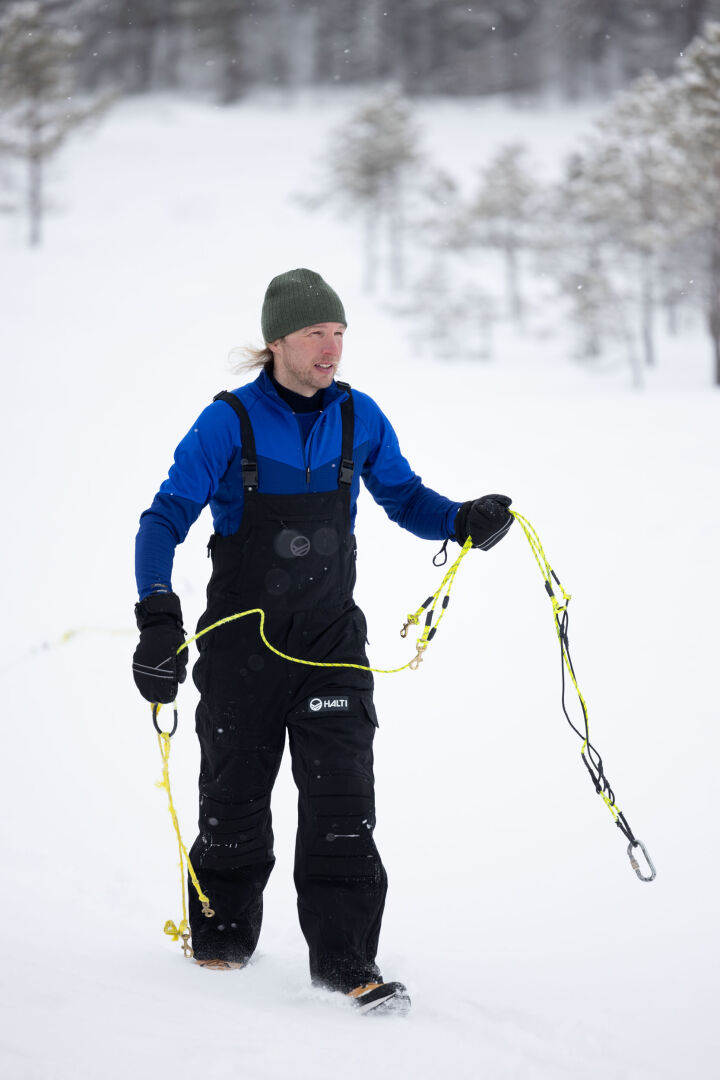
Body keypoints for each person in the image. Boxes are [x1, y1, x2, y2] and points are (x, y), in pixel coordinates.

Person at [132, 268, 513, 1014]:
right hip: (243, 650)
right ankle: (217, 957)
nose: (331, 347)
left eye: (339, 333)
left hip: (333, 643)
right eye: (316, 334)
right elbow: (163, 518)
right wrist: (157, 615)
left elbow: (404, 498)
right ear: (277, 340)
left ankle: (347, 965)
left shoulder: (357, 417)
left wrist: (462, 518)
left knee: (343, 805)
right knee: (234, 808)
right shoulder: (227, 425)